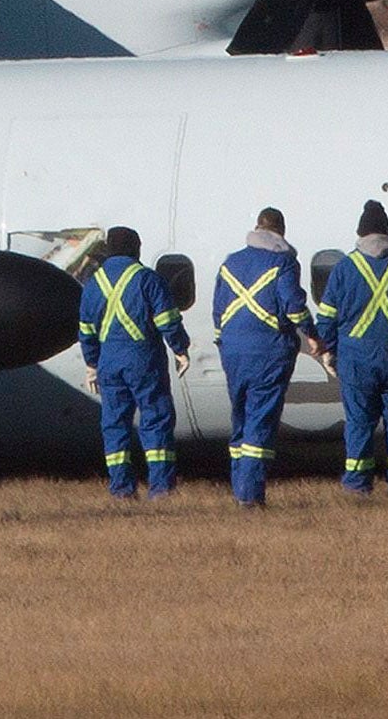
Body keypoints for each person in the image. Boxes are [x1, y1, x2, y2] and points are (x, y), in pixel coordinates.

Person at [212, 207, 320, 506]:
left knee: (241, 417)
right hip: (269, 351)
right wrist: (311, 333)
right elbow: (294, 306)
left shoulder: (230, 262)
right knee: (260, 420)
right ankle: (250, 496)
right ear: (281, 231)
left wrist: (225, 340)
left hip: (233, 350)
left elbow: (218, 310)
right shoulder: (283, 262)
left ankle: (238, 487)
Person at [318, 199, 388, 496]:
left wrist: (327, 348)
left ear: (360, 233)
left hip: (355, 359)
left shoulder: (344, 267)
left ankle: (357, 484)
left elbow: (326, 316)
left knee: (359, 422)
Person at [76, 225, 188, 497]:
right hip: (143, 358)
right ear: (136, 248)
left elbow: (86, 331)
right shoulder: (148, 279)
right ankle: (161, 488)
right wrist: (180, 348)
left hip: (108, 362)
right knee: (156, 419)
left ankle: (121, 489)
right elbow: (167, 320)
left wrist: (92, 364)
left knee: (114, 424)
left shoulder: (93, 284)